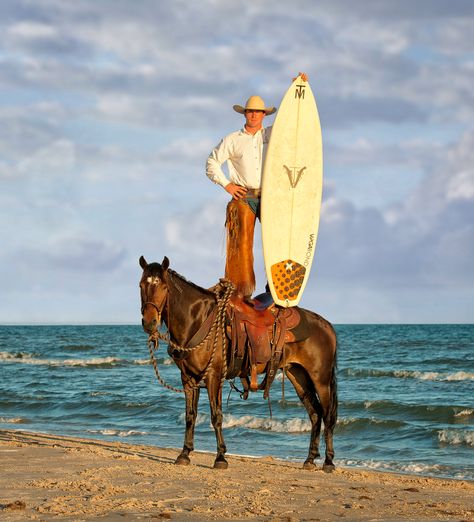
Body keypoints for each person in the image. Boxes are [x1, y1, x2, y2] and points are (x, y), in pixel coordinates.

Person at [206, 73, 308, 298]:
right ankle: (239, 291)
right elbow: (211, 162)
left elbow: (293, 126)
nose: (253, 115)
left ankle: (277, 288)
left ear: (264, 115)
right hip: (244, 195)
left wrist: (296, 93)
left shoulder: (273, 134)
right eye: (250, 111)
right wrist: (227, 185)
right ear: (245, 114)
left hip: (271, 195)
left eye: (257, 112)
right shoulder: (232, 139)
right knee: (241, 245)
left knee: (280, 240)